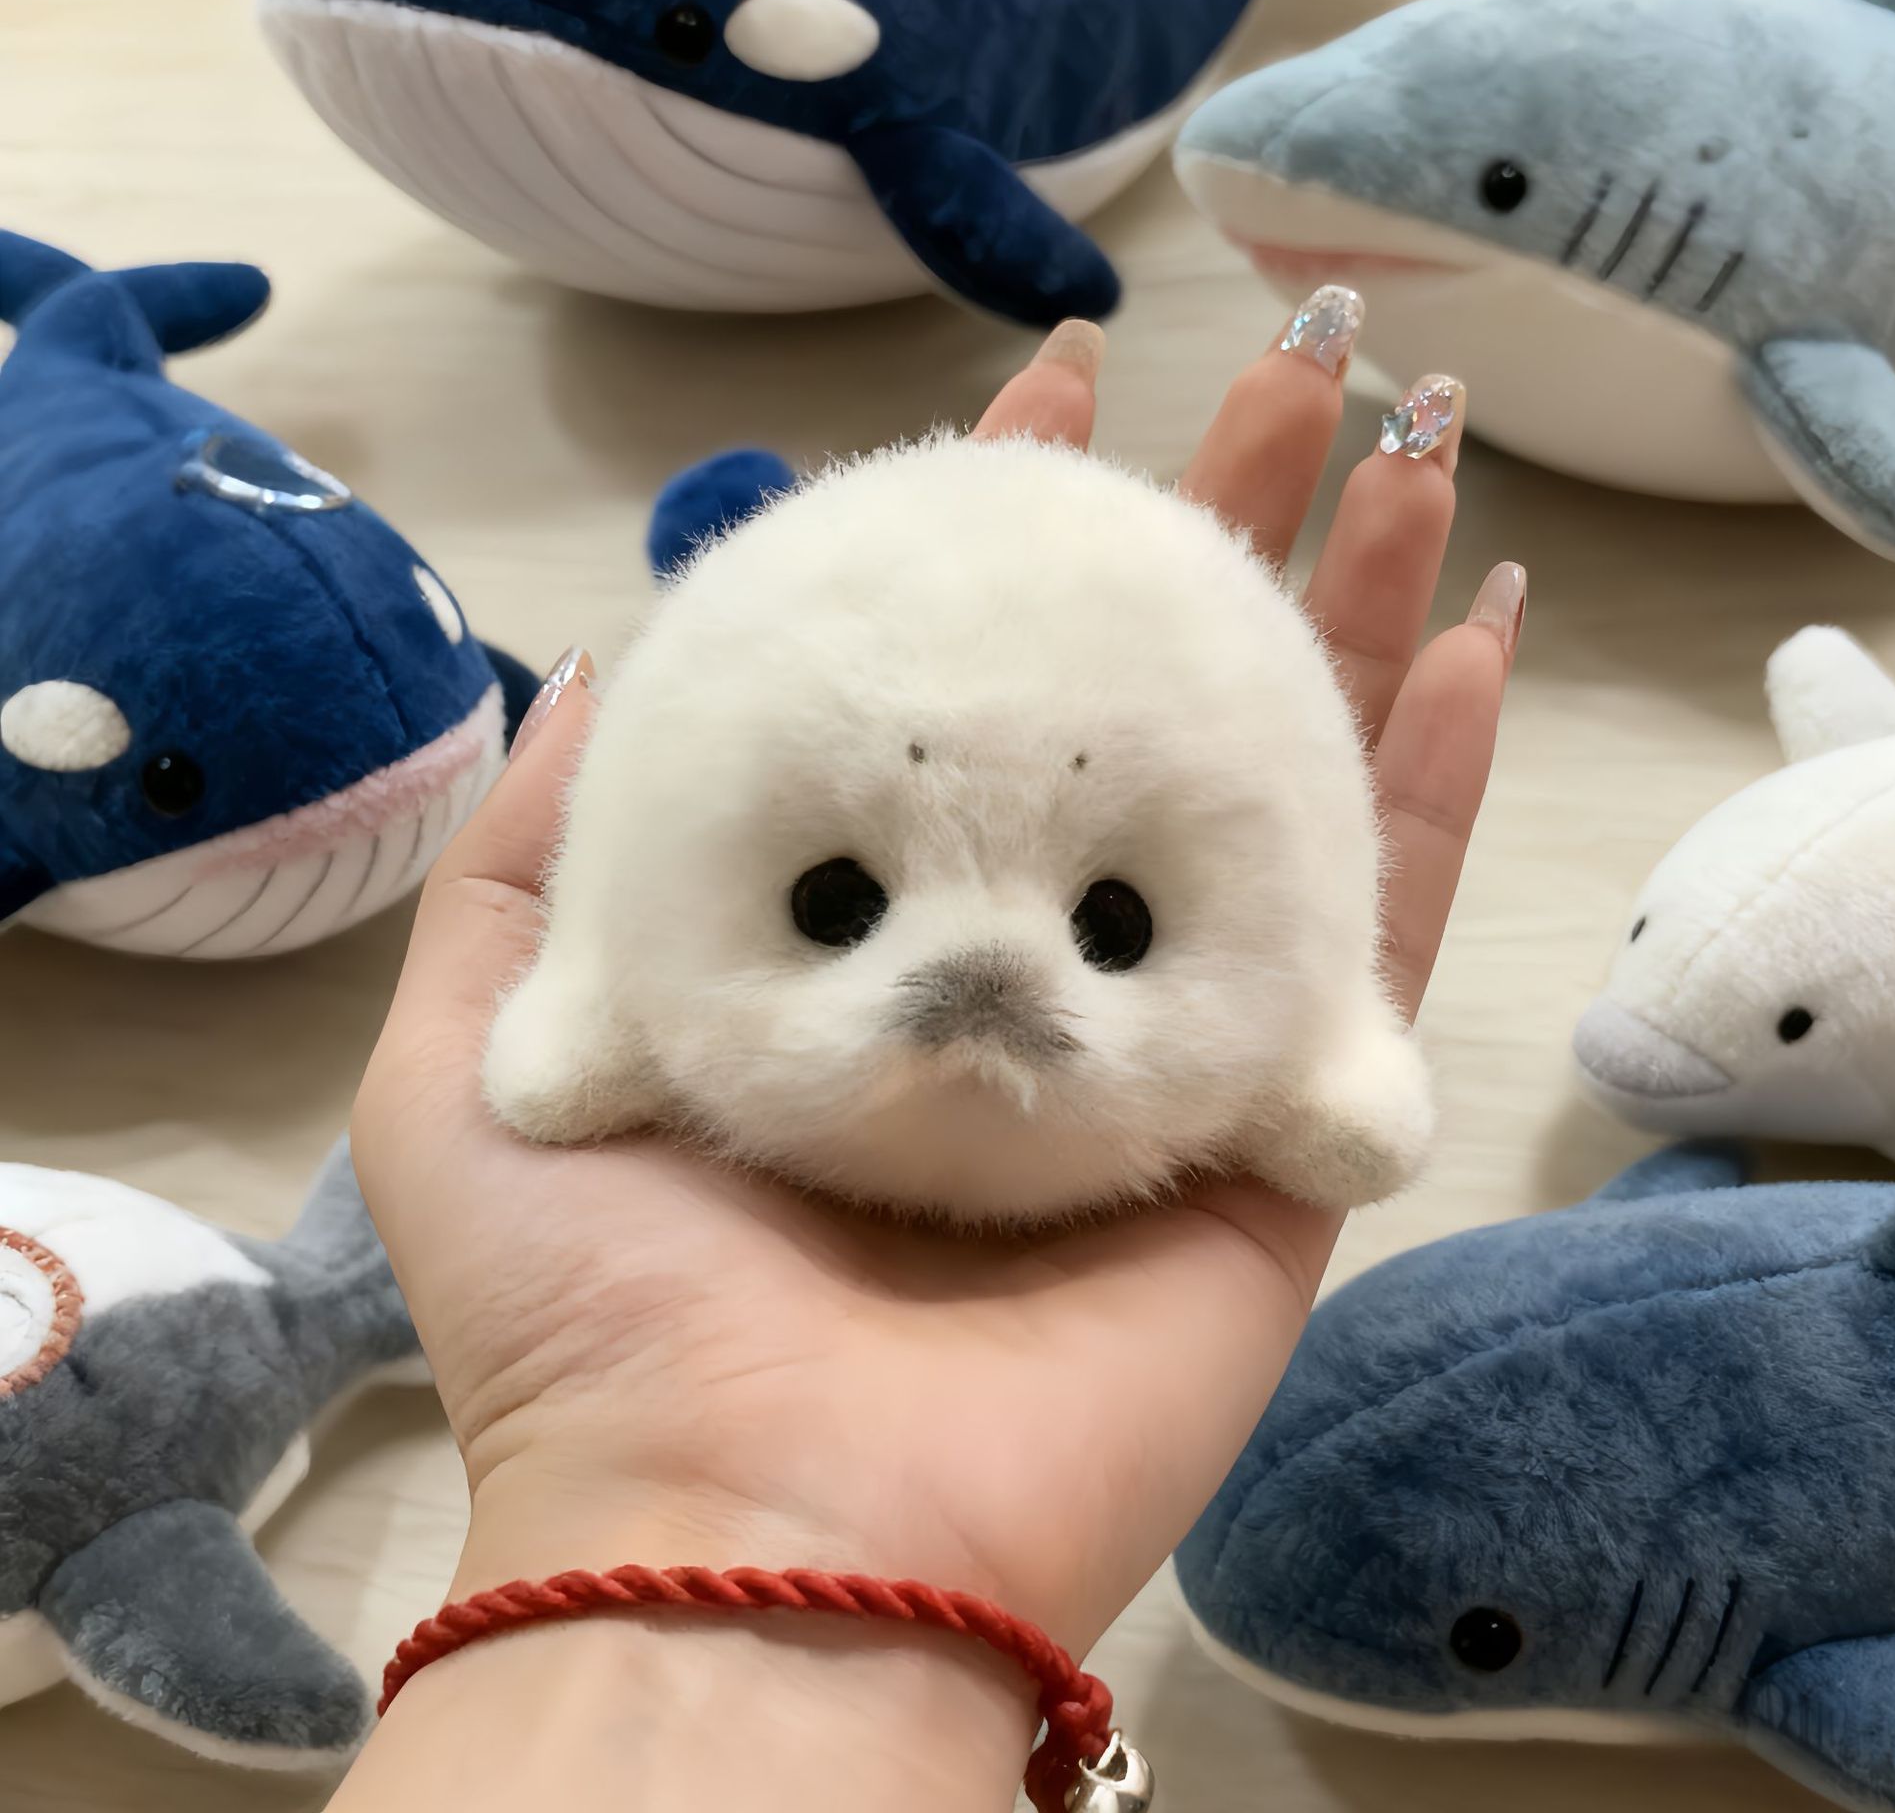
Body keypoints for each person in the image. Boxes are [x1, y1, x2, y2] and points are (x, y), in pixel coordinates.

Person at [335, 315, 1520, 1810]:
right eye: (836, 905)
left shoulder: (1284, 980)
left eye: (1112, 926)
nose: (980, 991)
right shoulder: (640, 956)